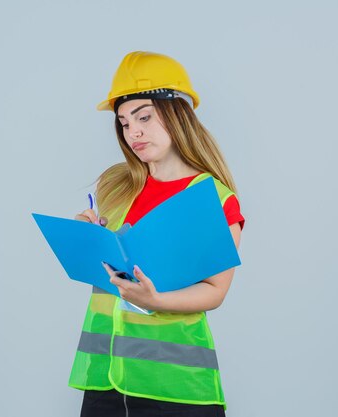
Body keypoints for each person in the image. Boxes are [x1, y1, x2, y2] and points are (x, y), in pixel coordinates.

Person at [70, 51, 245, 417]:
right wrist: (89, 240)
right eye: (123, 122)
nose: (133, 131)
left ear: (177, 113)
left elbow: (216, 291)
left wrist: (156, 302)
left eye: (144, 116)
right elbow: (110, 272)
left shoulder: (211, 198)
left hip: (176, 389)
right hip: (104, 380)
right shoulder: (115, 186)